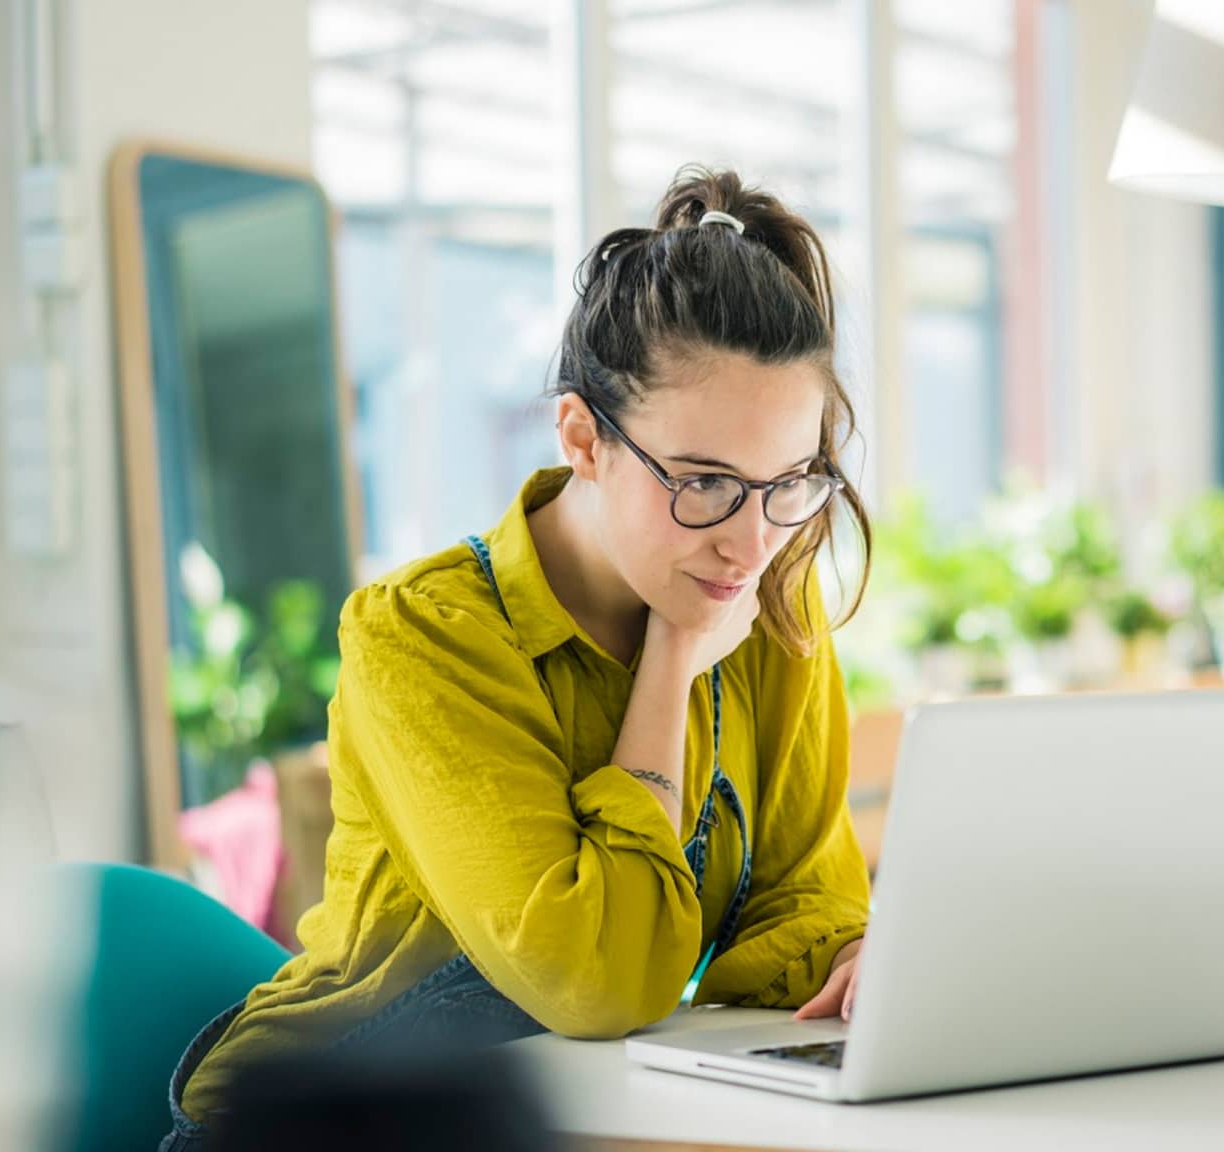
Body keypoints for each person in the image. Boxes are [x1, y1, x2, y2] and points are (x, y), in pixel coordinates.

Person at [161, 167, 874, 1148]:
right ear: (582, 434)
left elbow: (807, 903)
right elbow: (598, 975)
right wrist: (672, 660)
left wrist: (851, 953)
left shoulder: (764, 609)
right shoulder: (420, 637)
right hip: (334, 1117)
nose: (749, 543)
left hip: (583, 1109)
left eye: (784, 483)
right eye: (705, 483)